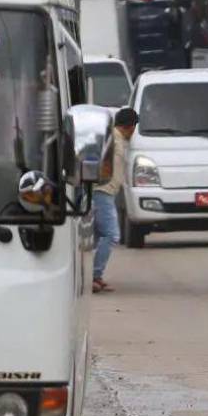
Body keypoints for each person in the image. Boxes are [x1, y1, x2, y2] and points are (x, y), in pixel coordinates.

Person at [93, 106, 137, 294]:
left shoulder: (117, 139)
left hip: (106, 192)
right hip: (102, 191)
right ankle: (94, 275)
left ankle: (93, 276)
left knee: (97, 237)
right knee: (112, 235)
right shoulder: (111, 140)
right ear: (130, 126)